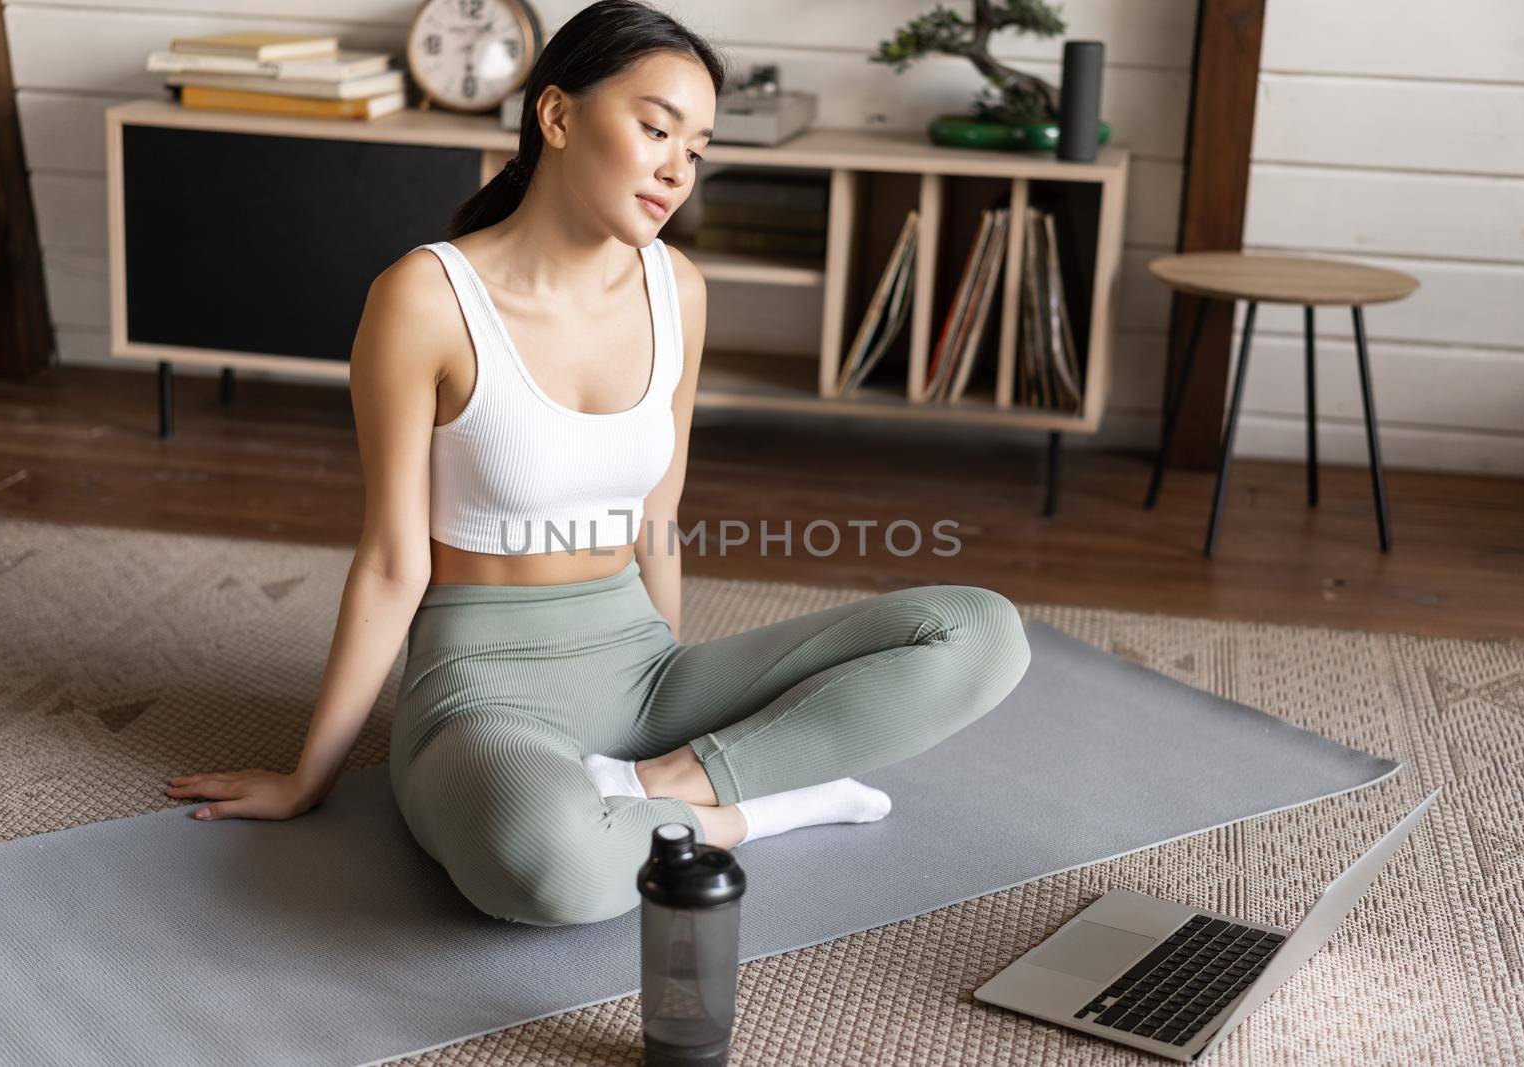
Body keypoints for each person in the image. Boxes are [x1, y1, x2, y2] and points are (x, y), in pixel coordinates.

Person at [165, 0, 1031, 927]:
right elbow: (390, 559)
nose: (676, 169)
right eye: (657, 129)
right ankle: (755, 810)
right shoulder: (426, 297)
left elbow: (661, 512)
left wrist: (673, 696)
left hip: (643, 670)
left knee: (982, 633)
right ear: (558, 116)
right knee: (555, 866)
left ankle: (664, 785)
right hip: (483, 689)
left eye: (695, 149)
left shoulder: (678, 290)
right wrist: (309, 777)